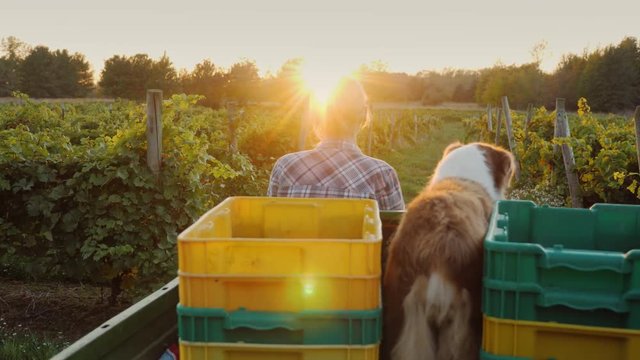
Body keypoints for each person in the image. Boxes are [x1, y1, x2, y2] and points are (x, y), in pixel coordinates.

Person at [268, 77, 405, 210]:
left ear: (316, 115)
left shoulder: (285, 166)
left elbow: (269, 223)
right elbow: (395, 231)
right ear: (363, 115)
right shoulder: (382, 173)